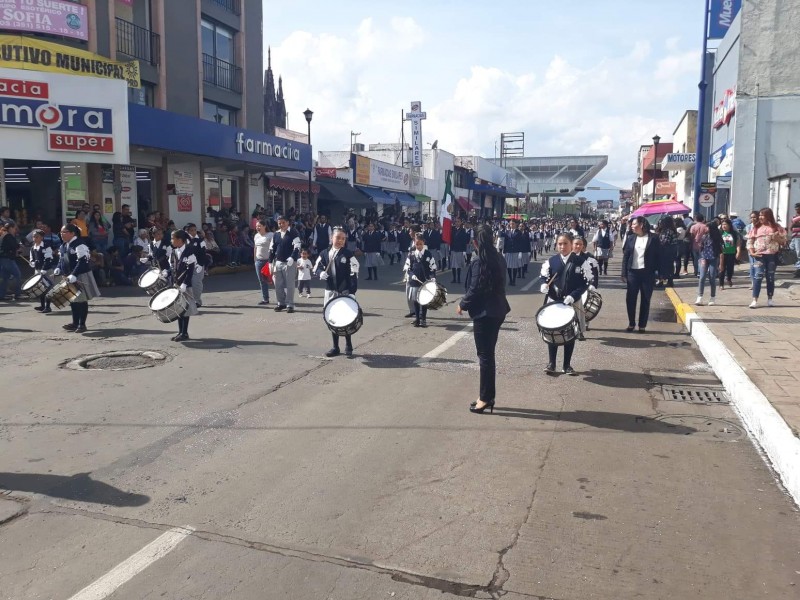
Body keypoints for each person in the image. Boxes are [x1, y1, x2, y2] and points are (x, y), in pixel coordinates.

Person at [457, 224, 510, 414]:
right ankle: (487, 396)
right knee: (488, 355)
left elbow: (475, 288)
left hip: (485, 313)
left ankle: (486, 398)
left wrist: (462, 304)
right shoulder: (499, 259)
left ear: (476, 242)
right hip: (498, 310)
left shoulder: (480, 261)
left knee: (485, 356)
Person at [539, 232, 590, 375]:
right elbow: (544, 277)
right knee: (552, 331)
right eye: (559, 244)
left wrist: (573, 296)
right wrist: (544, 285)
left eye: (565, 243)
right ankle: (551, 363)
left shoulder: (580, 262)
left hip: (571, 302)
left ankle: (567, 365)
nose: (562, 246)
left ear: (571, 244)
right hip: (554, 301)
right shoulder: (552, 261)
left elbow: (584, 283)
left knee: (570, 333)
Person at [315, 228, 360, 357]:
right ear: (331, 238)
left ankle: (348, 345)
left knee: (346, 319)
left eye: (343, 238)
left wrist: (352, 291)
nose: (340, 240)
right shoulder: (324, 253)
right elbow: (316, 266)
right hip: (330, 290)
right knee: (332, 318)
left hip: (344, 290)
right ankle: (335, 347)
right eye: (338, 237)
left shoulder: (348, 254)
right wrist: (320, 273)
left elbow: (354, 272)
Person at [56, 223, 100, 333]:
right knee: (73, 300)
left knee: (81, 300)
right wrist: (58, 269)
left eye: (64, 232)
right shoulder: (63, 245)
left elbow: (82, 261)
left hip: (80, 275)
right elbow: (61, 260)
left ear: (72, 233)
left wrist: (74, 274)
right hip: (69, 276)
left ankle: (82, 324)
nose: (62, 234)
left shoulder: (79, 244)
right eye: (61, 232)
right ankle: (75, 323)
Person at [621, 216, 660, 333]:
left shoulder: (653, 238)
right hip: (633, 273)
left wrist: (660, 273)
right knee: (630, 299)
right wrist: (623, 273)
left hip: (647, 273)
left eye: (634, 224)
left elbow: (659, 256)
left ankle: (642, 325)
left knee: (645, 299)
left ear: (641, 225)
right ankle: (631, 323)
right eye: (631, 224)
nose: (632, 226)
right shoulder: (631, 238)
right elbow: (626, 256)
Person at [747, 207, 787, 308]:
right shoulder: (756, 227)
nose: (760, 217)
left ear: (768, 216)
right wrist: (752, 252)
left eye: (762, 215)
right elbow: (750, 241)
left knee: (770, 277)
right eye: (759, 215)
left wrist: (776, 237)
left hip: (771, 256)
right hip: (759, 256)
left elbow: (784, 241)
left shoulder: (776, 227)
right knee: (758, 276)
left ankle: (770, 299)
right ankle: (754, 300)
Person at [169, 230, 198, 341]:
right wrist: (167, 272)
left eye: (173, 238)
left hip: (185, 285)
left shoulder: (189, 251)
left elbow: (190, 271)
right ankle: (180, 331)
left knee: (185, 310)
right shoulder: (174, 251)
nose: (171, 241)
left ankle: (184, 333)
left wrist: (185, 284)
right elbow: (172, 267)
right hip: (176, 284)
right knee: (178, 309)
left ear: (180, 240)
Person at [404, 232, 437, 327]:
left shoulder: (428, 254)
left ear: (423, 243)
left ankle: (423, 319)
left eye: (420, 244)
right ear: (414, 242)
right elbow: (408, 267)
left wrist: (433, 277)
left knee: (424, 301)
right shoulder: (411, 254)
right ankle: (417, 319)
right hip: (414, 281)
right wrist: (411, 274)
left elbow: (433, 268)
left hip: (425, 281)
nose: (418, 246)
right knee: (415, 300)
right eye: (416, 244)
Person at [269, 215, 301, 313]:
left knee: (290, 284)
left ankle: (290, 304)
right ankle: (281, 303)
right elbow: (272, 249)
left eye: (283, 222)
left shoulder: (293, 232)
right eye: (279, 223)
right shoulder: (276, 234)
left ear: (287, 222)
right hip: (278, 262)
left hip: (289, 262)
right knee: (278, 284)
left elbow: (297, 246)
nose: (281, 225)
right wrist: (270, 262)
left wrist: (292, 257)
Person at [572, 237, 598, 338]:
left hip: (583, 287)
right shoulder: (567, 256)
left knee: (581, 309)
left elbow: (594, 274)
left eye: (580, 244)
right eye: (576, 244)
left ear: (584, 246)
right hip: (570, 288)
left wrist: (593, 285)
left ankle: (580, 331)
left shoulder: (589, 258)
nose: (578, 246)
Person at [695, 221, 723, 306]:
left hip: (713, 259)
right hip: (704, 258)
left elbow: (721, 250)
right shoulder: (704, 236)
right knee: (702, 277)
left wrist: (721, 263)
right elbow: (701, 247)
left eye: (707, 227)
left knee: (712, 278)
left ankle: (712, 297)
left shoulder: (717, 238)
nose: (705, 228)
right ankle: (699, 297)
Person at [28, 228, 56, 313]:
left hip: (47, 271)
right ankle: (42, 305)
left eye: (37, 237)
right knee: (40, 289)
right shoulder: (33, 248)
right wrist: (32, 263)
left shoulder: (47, 247)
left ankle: (48, 307)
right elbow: (32, 258)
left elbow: (48, 259)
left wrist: (43, 270)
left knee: (48, 289)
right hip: (38, 271)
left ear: (41, 238)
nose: (35, 239)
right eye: (33, 237)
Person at [185, 223, 208, 308]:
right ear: (187, 231)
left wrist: (200, 265)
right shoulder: (185, 241)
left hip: (198, 265)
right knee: (188, 284)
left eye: (195, 230)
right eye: (191, 230)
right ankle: (189, 300)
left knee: (196, 283)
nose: (194, 232)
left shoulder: (200, 241)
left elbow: (203, 254)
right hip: (187, 265)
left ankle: (197, 301)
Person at [0, 220, 23, 301]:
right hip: (8, 259)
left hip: (3, 259)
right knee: (17, 275)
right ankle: (17, 294)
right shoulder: (8, 236)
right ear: (10, 228)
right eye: (14, 228)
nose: (15, 230)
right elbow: (14, 246)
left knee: (4, 278)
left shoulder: (3, 235)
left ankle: (1, 295)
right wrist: (19, 247)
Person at [253, 219, 272, 305]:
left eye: (259, 226)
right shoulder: (256, 236)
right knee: (262, 281)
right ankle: (265, 299)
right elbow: (255, 248)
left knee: (274, 280)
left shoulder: (271, 235)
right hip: (259, 261)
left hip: (269, 261)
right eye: (256, 226)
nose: (257, 227)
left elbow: (274, 248)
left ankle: (282, 298)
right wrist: (255, 260)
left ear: (264, 226)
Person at [719, 219, 739, 289]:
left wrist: (738, 251)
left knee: (730, 268)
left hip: (731, 253)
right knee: (722, 269)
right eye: (723, 224)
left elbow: (738, 243)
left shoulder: (733, 234)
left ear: (729, 225)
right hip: (722, 254)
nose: (724, 226)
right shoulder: (720, 233)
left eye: (725, 224)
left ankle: (729, 279)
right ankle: (721, 284)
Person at [449, 219, 470, 283]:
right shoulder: (452, 230)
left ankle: (458, 278)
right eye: (456, 222)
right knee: (453, 265)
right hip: (453, 249)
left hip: (460, 250)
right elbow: (450, 240)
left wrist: (464, 250)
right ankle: (454, 278)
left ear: (461, 223)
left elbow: (464, 241)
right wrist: (450, 249)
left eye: (458, 221)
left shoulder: (463, 231)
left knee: (458, 266)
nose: (457, 223)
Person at [790, 202, 800, 278]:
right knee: (792, 250)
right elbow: (794, 221)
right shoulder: (795, 216)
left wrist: (794, 223)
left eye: (798, 208)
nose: (796, 210)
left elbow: (794, 222)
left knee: (798, 253)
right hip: (794, 236)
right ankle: (798, 265)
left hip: (799, 236)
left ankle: (798, 269)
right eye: (796, 208)